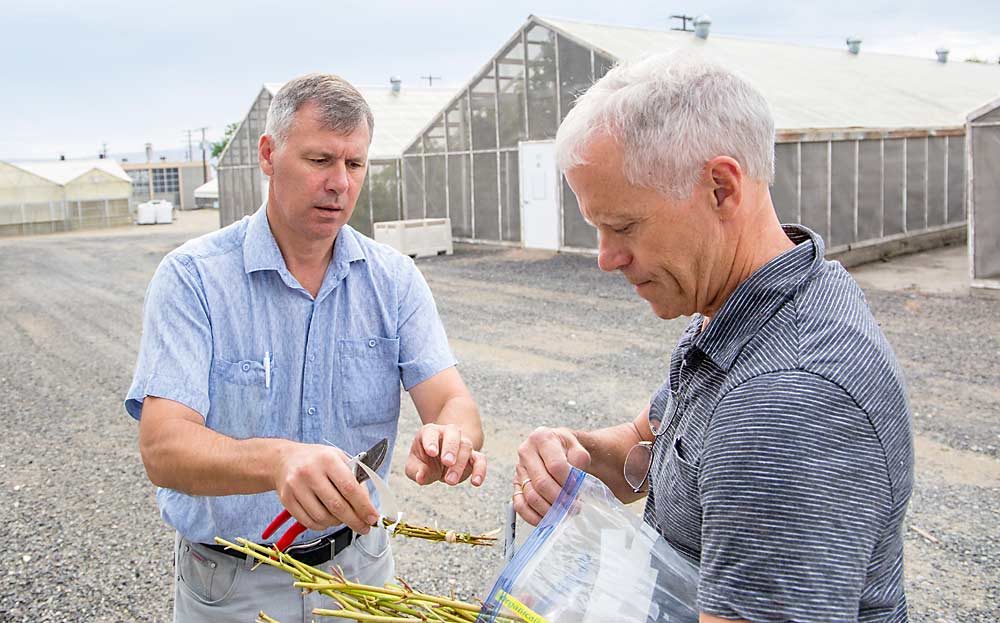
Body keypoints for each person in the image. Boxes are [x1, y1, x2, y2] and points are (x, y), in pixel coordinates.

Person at [512, 56, 913, 623]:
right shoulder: (754, 307)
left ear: (720, 188)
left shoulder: (785, 401)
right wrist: (577, 455)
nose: (606, 259)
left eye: (623, 226)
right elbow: (655, 445)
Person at [125, 73, 487, 622]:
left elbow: (452, 402)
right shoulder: (193, 279)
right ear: (268, 155)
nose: (340, 183)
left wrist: (450, 437)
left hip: (360, 574)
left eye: (355, 164)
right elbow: (163, 448)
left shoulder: (392, 279)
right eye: (320, 160)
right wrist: (277, 460)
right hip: (233, 584)